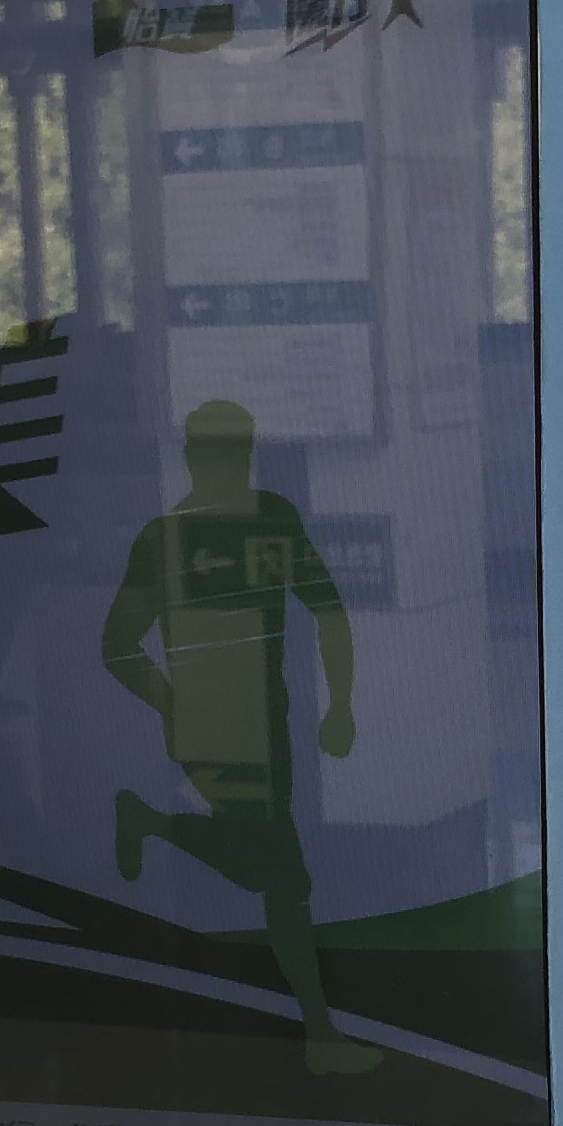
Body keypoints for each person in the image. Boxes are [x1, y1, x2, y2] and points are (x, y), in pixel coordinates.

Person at [98, 398, 379, 1078]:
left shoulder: (266, 519)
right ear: (194, 456)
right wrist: (174, 704)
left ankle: (152, 821)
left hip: (268, 724)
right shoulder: (169, 537)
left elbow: (328, 610)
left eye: (236, 451)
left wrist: (341, 705)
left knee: (264, 865)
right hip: (212, 733)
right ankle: (319, 1034)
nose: (229, 463)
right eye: (220, 451)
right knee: (284, 879)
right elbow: (118, 645)